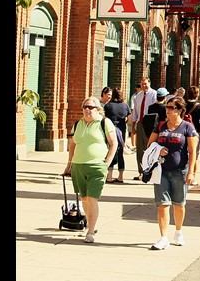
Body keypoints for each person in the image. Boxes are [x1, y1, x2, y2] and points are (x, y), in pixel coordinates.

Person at [62, 96, 118, 243]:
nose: (87, 110)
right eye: (85, 107)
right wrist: (69, 164)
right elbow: (73, 144)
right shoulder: (78, 124)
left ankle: (91, 231)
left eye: (90, 107)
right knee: (85, 199)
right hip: (79, 166)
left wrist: (106, 164)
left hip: (97, 167)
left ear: (98, 109)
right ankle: (89, 223)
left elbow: (114, 143)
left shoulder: (104, 122)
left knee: (92, 198)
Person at [145, 97, 199, 250]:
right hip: (161, 170)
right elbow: (150, 144)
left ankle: (178, 231)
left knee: (179, 204)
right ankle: (163, 238)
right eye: (167, 107)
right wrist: (158, 150)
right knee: (162, 205)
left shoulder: (187, 128)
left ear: (180, 110)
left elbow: (192, 151)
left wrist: (191, 172)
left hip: (180, 171)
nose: (167, 110)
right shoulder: (161, 126)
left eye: (171, 108)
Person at [130, 77, 158, 178]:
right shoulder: (138, 96)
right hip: (140, 123)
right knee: (140, 148)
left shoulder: (154, 94)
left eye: (145, 84)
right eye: (142, 84)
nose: (144, 86)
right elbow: (135, 113)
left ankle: (150, 170)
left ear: (149, 83)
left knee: (150, 147)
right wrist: (133, 126)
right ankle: (141, 171)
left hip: (150, 124)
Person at [103, 87, 131, 183]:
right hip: (121, 130)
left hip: (110, 130)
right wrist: (123, 123)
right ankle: (120, 176)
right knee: (120, 152)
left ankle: (109, 176)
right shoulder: (125, 106)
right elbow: (130, 119)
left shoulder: (108, 106)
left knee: (110, 151)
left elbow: (104, 118)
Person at [184, 86, 200, 175]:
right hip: (195, 133)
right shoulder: (199, 107)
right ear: (197, 95)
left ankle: (184, 173)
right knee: (194, 155)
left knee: (184, 153)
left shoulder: (183, 105)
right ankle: (192, 175)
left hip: (183, 132)